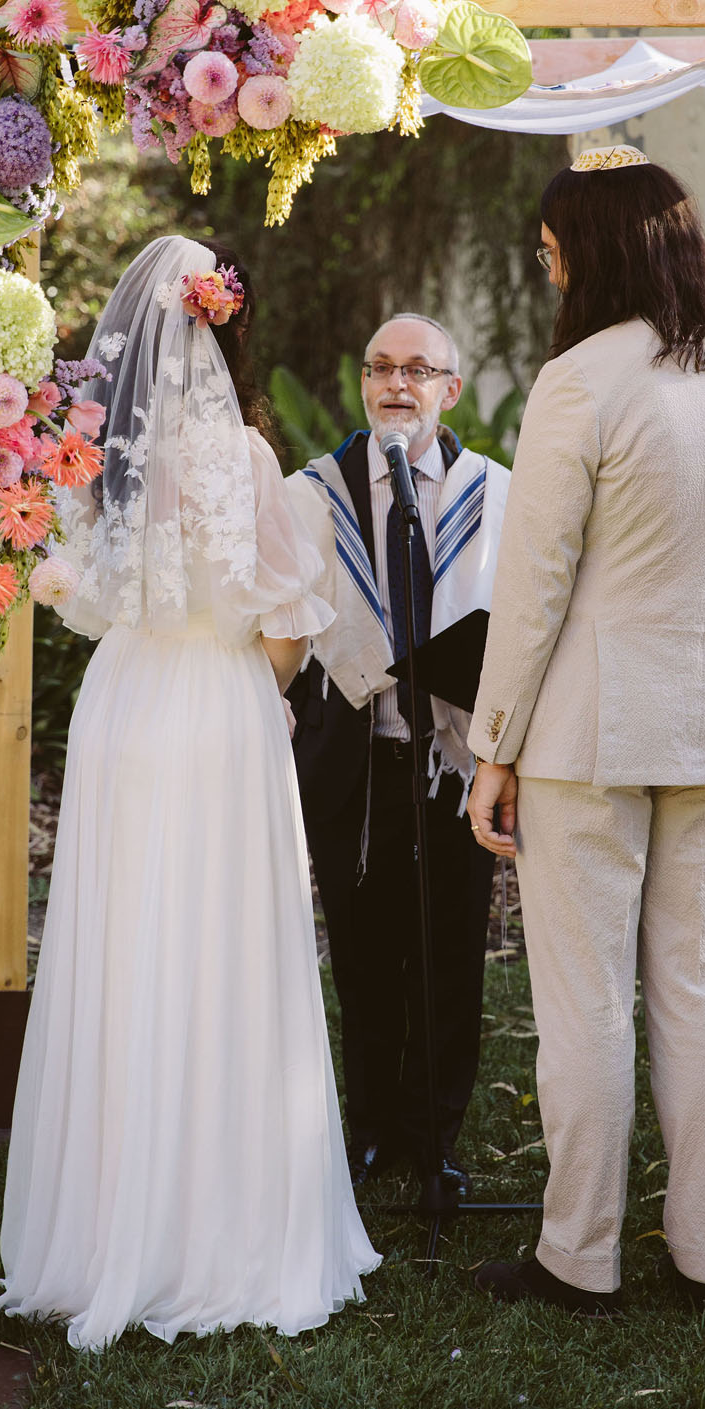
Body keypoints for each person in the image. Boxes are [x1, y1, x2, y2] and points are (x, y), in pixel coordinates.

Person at [0, 236, 379, 1350]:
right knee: (222, 943)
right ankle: (221, 1221)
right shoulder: (245, 458)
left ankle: (109, 1221)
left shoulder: (92, 455)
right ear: (224, 326)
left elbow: (73, 589)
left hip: (123, 708)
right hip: (214, 706)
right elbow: (293, 623)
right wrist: (273, 695)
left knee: (124, 941)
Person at [466, 145, 705, 1316]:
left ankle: (580, 1256)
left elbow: (535, 582)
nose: (547, 271)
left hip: (590, 735)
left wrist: (492, 745)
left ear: (589, 251)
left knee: (588, 999)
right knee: (696, 986)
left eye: (552, 252)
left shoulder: (581, 382)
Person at [285, 314, 510, 1195]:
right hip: (354, 757)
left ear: (450, 390)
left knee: (449, 956)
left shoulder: (496, 491)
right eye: (381, 366)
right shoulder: (315, 494)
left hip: (455, 762)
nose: (396, 384)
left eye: (419, 370)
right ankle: (371, 1125)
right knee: (364, 955)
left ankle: (434, 1133)